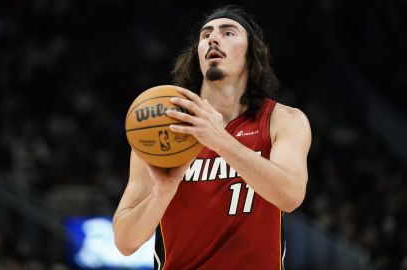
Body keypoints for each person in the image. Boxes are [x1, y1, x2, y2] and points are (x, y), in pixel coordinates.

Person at [113, 5, 311, 269]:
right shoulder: (161, 124)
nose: (212, 39)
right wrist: (163, 191)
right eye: (205, 35)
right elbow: (125, 242)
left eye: (228, 32)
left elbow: (291, 195)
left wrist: (221, 141)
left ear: (251, 54)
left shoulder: (283, 120)